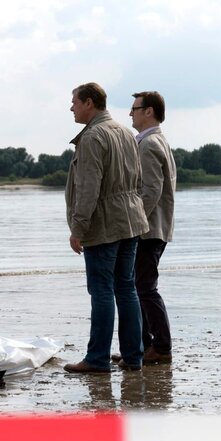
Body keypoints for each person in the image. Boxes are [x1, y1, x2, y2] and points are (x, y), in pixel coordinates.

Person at [64, 82, 149, 374]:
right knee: (126, 288)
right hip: (131, 221)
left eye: (75, 102)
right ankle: (134, 357)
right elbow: (138, 180)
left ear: (89, 103)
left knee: (101, 290)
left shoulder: (92, 137)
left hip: (105, 224)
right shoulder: (126, 133)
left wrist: (78, 229)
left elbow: (88, 189)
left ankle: (97, 359)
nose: (71, 107)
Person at [129, 91, 176, 365]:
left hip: (149, 228)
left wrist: (135, 223)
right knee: (141, 287)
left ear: (149, 111)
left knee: (145, 288)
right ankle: (144, 346)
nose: (130, 113)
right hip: (154, 226)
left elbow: (151, 190)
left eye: (134, 108)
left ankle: (161, 347)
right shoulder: (155, 141)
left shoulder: (149, 144)